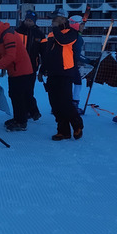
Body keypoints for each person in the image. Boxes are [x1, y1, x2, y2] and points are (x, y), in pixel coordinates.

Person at [0, 18, 33, 131]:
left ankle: (22, 122)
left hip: (21, 71)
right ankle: (18, 118)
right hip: (14, 71)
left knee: (19, 96)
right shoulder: (1, 36)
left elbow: (10, 56)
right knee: (14, 95)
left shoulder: (8, 36)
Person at [39, 8, 84, 141]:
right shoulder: (53, 35)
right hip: (53, 73)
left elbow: (63, 41)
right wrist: (42, 70)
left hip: (66, 73)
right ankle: (63, 131)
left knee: (65, 103)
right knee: (55, 104)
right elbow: (47, 54)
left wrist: (56, 29)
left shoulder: (72, 33)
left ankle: (77, 125)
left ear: (63, 20)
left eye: (55, 18)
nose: (53, 21)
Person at [15, 10, 45, 120]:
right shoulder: (17, 31)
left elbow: (44, 52)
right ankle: (31, 111)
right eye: (27, 20)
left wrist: (43, 68)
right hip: (18, 65)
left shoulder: (39, 34)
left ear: (34, 21)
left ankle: (32, 111)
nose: (28, 22)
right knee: (20, 90)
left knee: (28, 89)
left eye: (30, 21)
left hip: (32, 66)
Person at [68, 14, 89, 114]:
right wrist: (90, 61)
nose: (83, 27)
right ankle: (74, 104)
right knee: (77, 82)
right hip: (71, 63)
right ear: (76, 24)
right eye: (81, 25)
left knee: (66, 83)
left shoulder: (67, 33)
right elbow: (76, 55)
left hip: (64, 63)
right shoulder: (77, 38)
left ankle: (61, 104)